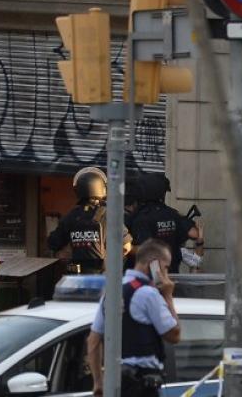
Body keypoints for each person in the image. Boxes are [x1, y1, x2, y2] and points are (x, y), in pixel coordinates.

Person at [87, 239, 180, 397]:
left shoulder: (113, 291)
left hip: (116, 384)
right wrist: (168, 296)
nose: (166, 274)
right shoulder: (148, 294)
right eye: (165, 267)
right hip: (142, 386)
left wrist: (98, 383)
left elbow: (93, 341)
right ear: (154, 264)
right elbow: (174, 335)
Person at [48, 167, 132, 275]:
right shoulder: (109, 215)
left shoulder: (71, 216)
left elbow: (52, 243)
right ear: (102, 189)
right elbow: (126, 247)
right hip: (102, 276)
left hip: (76, 277)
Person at [128, 172, 199, 273]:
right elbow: (194, 233)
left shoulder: (141, 218)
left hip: (150, 276)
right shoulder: (172, 214)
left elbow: (146, 250)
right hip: (172, 274)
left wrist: (127, 248)